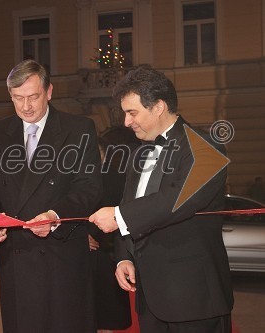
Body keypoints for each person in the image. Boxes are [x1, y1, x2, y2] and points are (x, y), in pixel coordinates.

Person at [89, 66, 234, 333]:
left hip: (195, 299)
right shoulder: (139, 154)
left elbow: (176, 200)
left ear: (158, 106)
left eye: (132, 112)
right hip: (150, 300)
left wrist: (119, 217)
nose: (126, 122)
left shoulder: (207, 148)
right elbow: (130, 203)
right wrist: (124, 257)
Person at [0, 59, 102, 333]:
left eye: (33, 97)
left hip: (61, 258)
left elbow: (88, 189)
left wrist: (54, 216)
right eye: (18, 98)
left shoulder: (78, 129)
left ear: (49, 92)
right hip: (16, 262)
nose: (26, 106)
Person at [87, 137, 135, 333]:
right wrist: (79, 236)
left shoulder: (117, 177)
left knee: (107, 313)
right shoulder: (77, 177)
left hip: (109, 251)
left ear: (103, 154)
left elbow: (124, 212)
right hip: (85, 253)